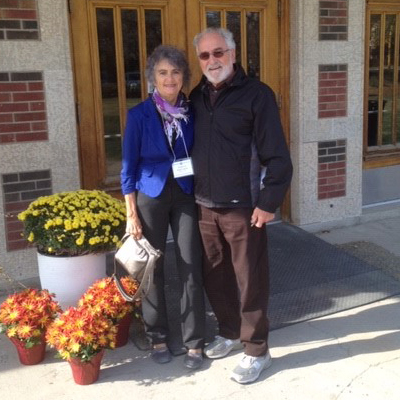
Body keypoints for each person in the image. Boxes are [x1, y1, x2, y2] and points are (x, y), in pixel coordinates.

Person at [190, 28, 293, 383]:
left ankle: (256, 350)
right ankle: (231, 332)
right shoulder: (197, 96)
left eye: (218, 53)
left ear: (233, 54)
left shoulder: (257, 95)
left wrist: (268, 203)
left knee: (250, 279)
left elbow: (278, 157)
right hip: (204, 205)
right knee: (215, 275)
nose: (212, 61)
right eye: (204, 56)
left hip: (245, 207)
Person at [121, 45, 205, 370]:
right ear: (152, 77)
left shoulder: (192, 110)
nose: (170, 78)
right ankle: (157, 335)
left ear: (184, 76)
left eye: (175, 72)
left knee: (190, 264)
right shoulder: (139, 114)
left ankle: (194, 340)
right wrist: (131, 215)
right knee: (151, 268)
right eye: (162, 72)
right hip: (150, 194)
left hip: (184, 192)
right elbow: (128, 167)